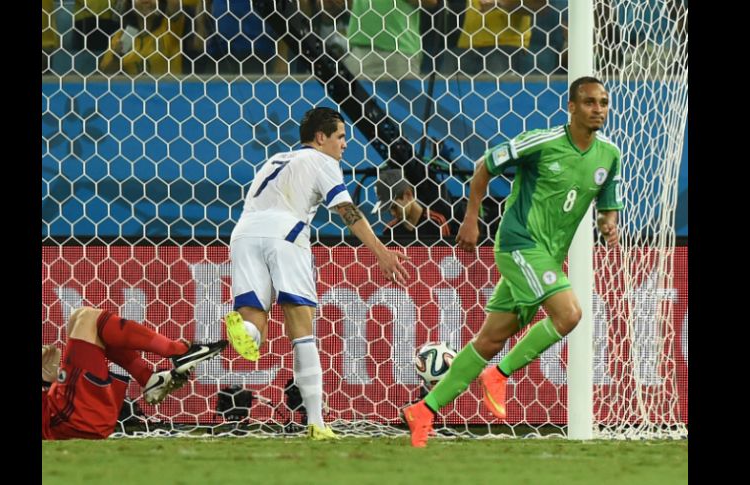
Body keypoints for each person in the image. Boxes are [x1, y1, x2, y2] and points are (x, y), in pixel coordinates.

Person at [402, 76, 624, 447]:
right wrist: (471, 218)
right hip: (518, 244)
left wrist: (609, 226)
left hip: (547, 255)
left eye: (602, 102)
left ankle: (424, 410)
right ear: (571, 107)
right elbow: (485, 166)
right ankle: (499, 376)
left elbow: (606, 207)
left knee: (489, 339)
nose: (597, 109)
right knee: (568, 314)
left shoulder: (609, 155)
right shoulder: (542, 142)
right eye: (589, 102)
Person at [224, 107, 411, 440]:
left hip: (243, 235)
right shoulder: (323, 162)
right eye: (340, 136)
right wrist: (380, 252)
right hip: (286, 234)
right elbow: (346, 210)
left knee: (254, 329)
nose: (344, 145)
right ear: (321, 137)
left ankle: (245, 330)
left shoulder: (275, 159)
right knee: (302, 329)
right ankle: (316, 422)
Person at [42, 306, 227, 440]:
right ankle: (178, 351)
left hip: (65, 415)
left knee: (79, 317)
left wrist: (47, 380)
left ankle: (149, 378)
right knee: (88, 319)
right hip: (71, 419)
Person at [343, 0, 438, 81]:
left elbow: (431, 1)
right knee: (353, 101)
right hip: (358, 51)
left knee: (397, 102)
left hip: (398, 53)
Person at [99, 0, 185, 76]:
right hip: (133, 92)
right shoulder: (124, 36)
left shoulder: (169, 28)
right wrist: (116, 57)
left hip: (169, 91)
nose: (146, 1)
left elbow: (175, 3)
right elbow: (106, 77)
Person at [371, 169, 450, 240]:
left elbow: (445, 254)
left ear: (408, 195)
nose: (392, 213)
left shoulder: (436, 222)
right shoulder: (390, 230)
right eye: (389, 209)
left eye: (394, 207)